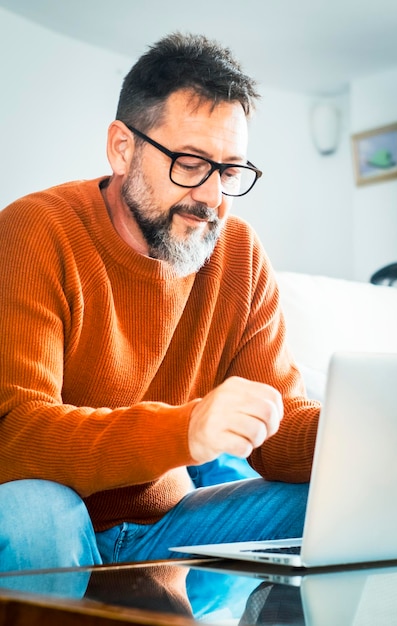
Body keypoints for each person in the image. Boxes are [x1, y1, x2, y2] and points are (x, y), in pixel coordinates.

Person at [0, 32, 320, 572]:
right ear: (122, 148)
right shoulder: (35, 231)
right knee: (35, 508)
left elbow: (278, 430)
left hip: (169, 523)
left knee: (336, 503)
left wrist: (374, 436)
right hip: (55, 517)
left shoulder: (236, 252)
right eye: (191, 163)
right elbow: (16, 436)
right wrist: (186, 429)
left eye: (230, 170)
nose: (212, 197)